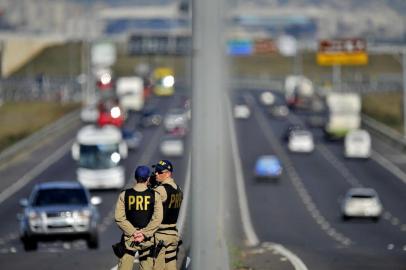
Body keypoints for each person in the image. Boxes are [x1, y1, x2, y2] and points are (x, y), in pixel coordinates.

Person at [114, 165, 163, 270]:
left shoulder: (124, 195)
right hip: (147, 240)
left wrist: (133, 232)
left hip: (129, 239)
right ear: (148, 179)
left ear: (135, 178)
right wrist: (144, 233)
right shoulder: (155, 195)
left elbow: (119, 218)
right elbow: (157, 218)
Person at [152, 160, 183, 270]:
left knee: (157, 267)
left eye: (160, 172)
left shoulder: (161, 190)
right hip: (173, 235)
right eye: (156, 171)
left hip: (161, 235)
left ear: (168, 173)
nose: (156, 173)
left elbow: (149, 206)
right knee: (171, 266)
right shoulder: (179, 189)